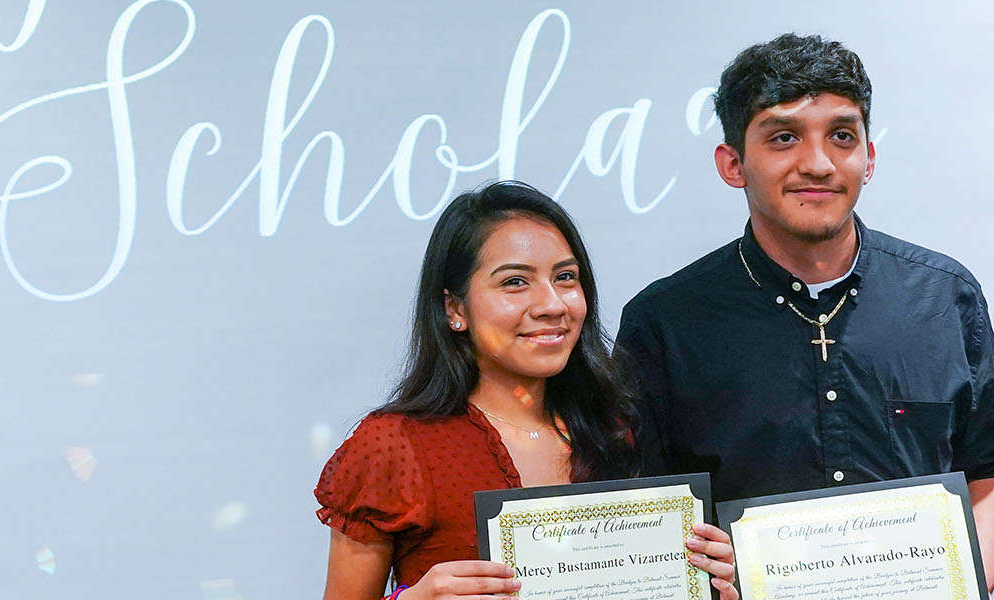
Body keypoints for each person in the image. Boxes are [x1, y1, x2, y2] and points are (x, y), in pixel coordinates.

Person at [615, 34, 994, 593]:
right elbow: (636, 518)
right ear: (733, 164)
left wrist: (964, 582)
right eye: (783, 137)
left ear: (869, 156)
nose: (818, 163)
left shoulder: (944, 298)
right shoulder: (664, 323)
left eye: (841, 136)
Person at [316, 181, 738, 600]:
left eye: (566, 277)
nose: (552, 304)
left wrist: (710, 584)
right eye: (515, 282)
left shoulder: (616, 425)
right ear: (454, 308)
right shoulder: (393, 446)